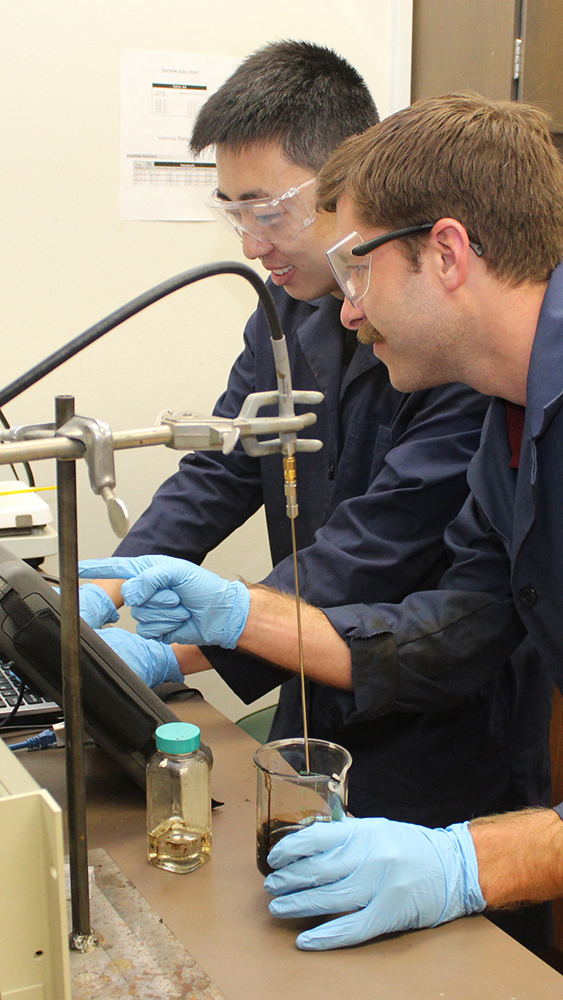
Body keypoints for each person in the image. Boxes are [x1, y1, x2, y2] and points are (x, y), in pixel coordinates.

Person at [80, 92, 563, 952]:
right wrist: (234, 614)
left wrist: (471, 860)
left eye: (359, 270)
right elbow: (456, 624)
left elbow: (383, 566)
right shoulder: (511, 417)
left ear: (445, 253)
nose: (343, 309)